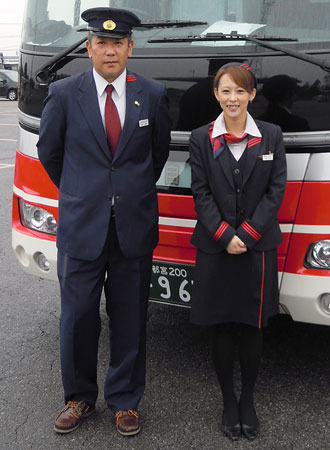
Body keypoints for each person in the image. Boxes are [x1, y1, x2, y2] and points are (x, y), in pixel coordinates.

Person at [37, 7, 171, 436]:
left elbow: (158, 154)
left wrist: (124, 193)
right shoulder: (63, 94)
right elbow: (50, 154)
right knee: (77, 317)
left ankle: (125, 400)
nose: (109, 50)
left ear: (130, 47)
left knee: (130, 316)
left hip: (132, 225)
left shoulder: (151, 94)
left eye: (118, 43)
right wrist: (82, 193)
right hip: (82, 225)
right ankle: (78, 398)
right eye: (101, 42)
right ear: (89, 48)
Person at [189, 63, 286, 441]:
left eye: (240, 91)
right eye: (225, 91)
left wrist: (245, 233)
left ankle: (248, 400)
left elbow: (275, 190)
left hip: (257, 246)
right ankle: (228, 400)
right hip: (216, 246)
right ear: (216, 94)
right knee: (222, 326)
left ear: (252, 95)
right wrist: (224, 234)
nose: (232, 98)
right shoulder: (201, 138)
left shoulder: (272, 136)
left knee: (252, 326)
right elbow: (201, 192)